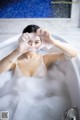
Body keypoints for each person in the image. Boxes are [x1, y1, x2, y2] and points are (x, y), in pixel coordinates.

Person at [0, 25, 78, 120]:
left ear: (41, 43)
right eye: (29, 42)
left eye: (36, 42)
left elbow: (73, 54)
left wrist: (53, 42)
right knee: (3, 116)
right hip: (15, 105)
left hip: (43, 104)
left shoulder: (45, 59)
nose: (32, 46)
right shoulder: (15, 61)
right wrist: (18, 51)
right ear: (22, 41)